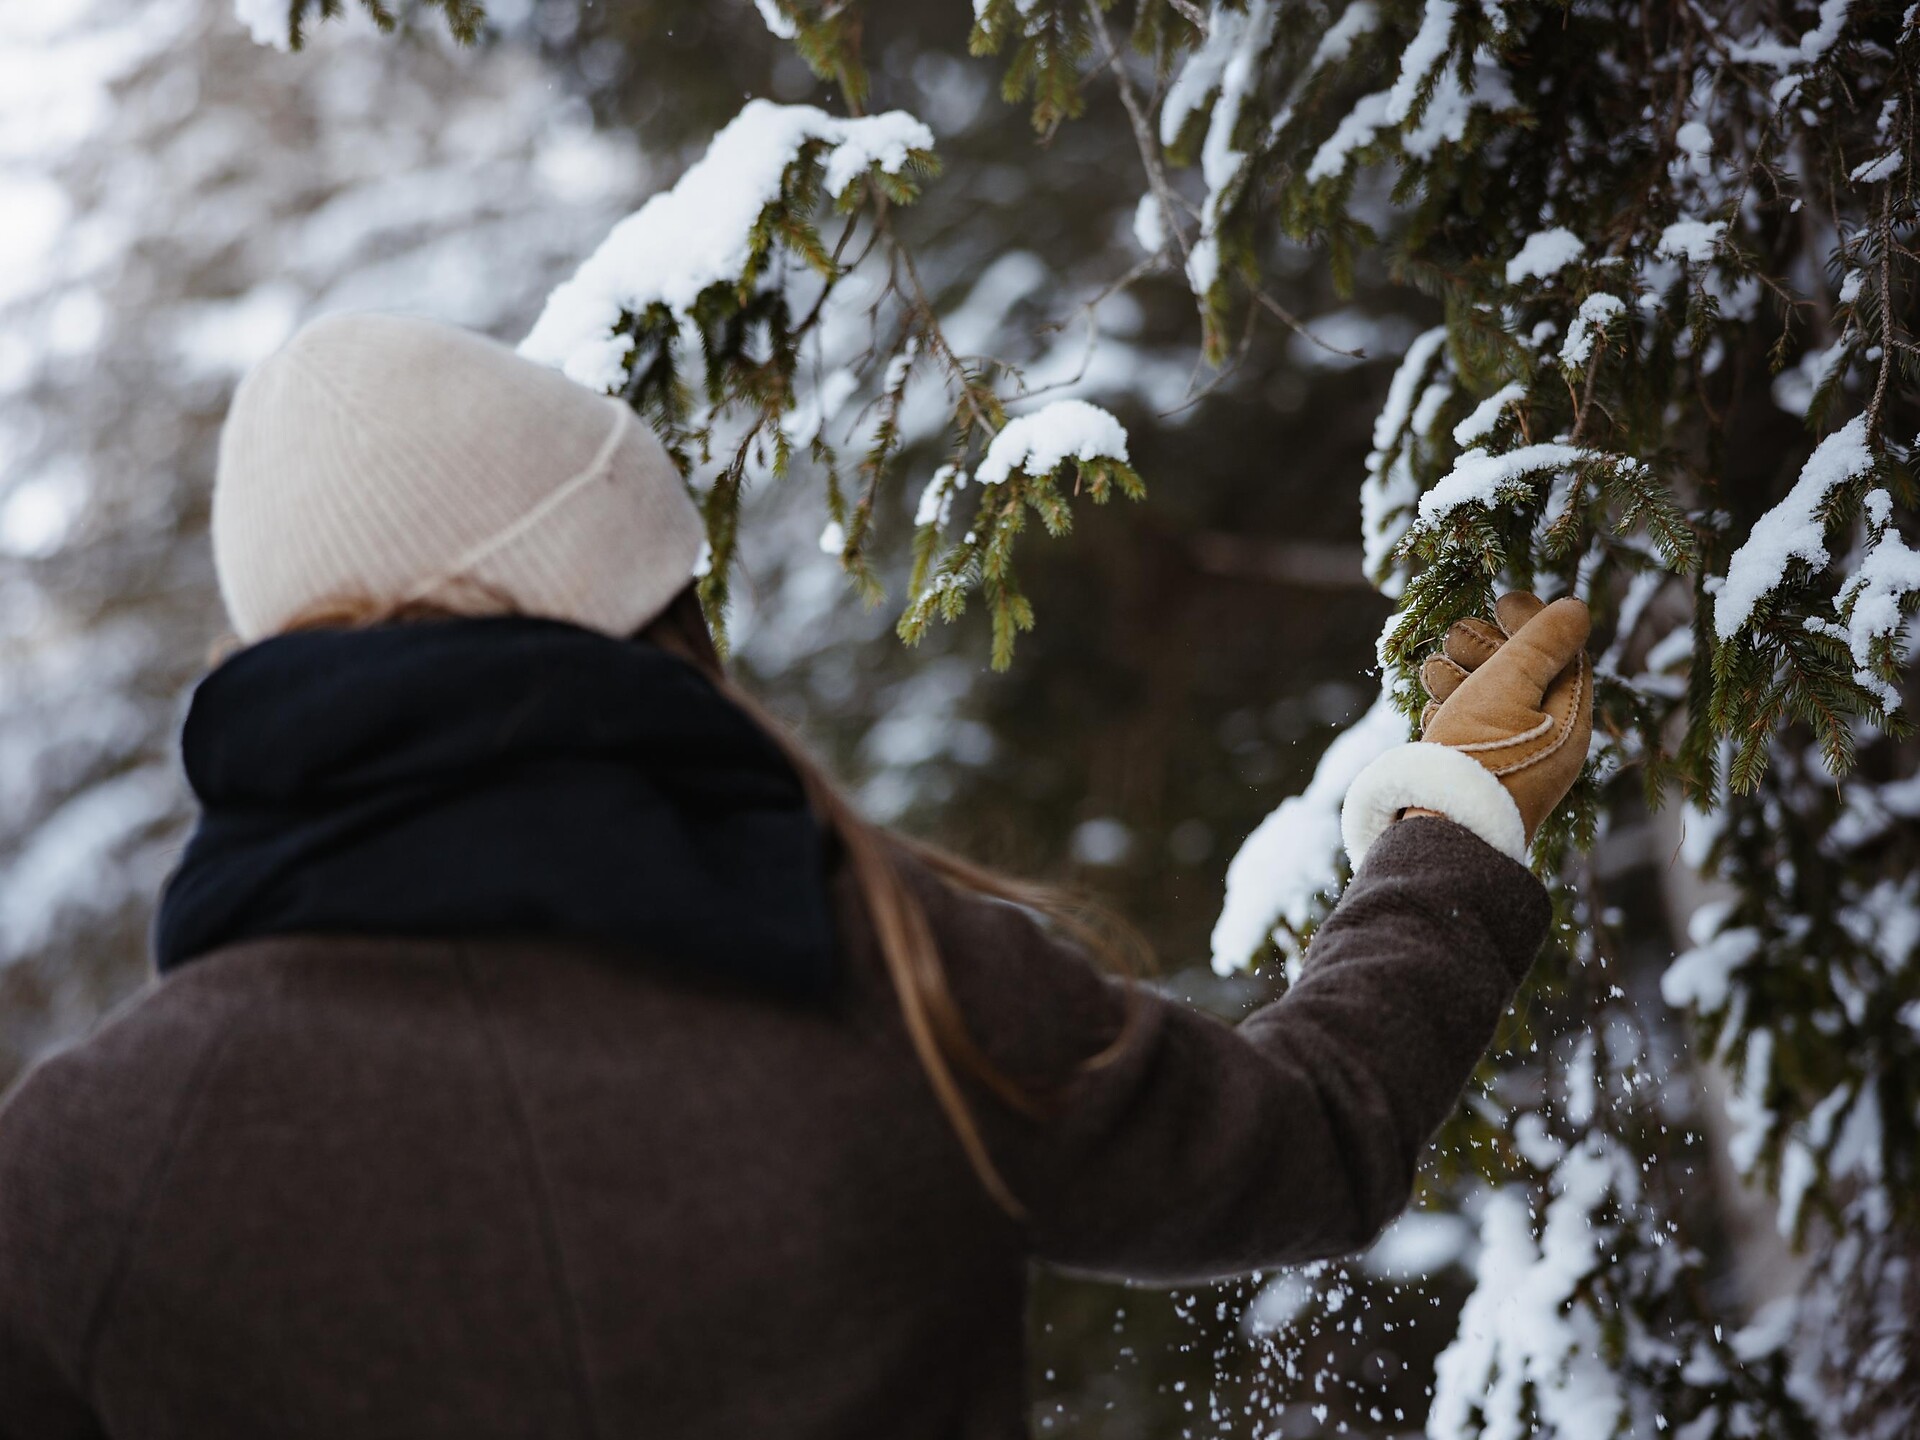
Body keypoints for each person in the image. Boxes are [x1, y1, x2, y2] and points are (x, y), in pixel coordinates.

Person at [0, 313, 1592, 1440]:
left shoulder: (83, 1172)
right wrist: (1462, 812)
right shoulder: (890, 984)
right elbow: (1312, 1137)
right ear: (646, 624)